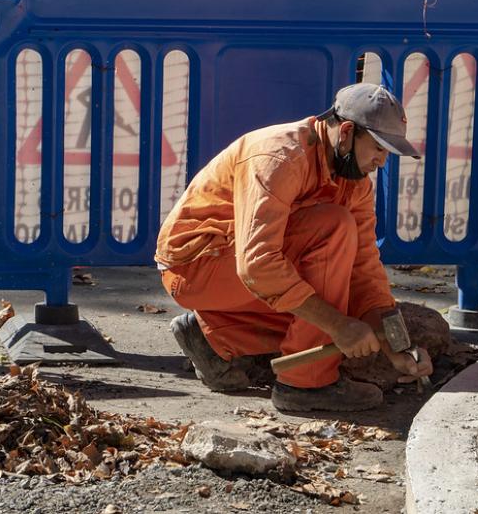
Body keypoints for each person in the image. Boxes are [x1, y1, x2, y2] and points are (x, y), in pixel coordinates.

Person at [155, 83, 433, 411]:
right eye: (378, 148)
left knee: (328, 308)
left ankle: (212, 336)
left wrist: (397, 343)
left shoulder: (354, 181)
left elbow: (365, 269)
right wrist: (337, 326)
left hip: (235, 268)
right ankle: (306, 385)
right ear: (346, 132)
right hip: (194, 267)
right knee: (334, 235)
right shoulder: (279, 155)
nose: (382, 161)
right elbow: (257, 264)